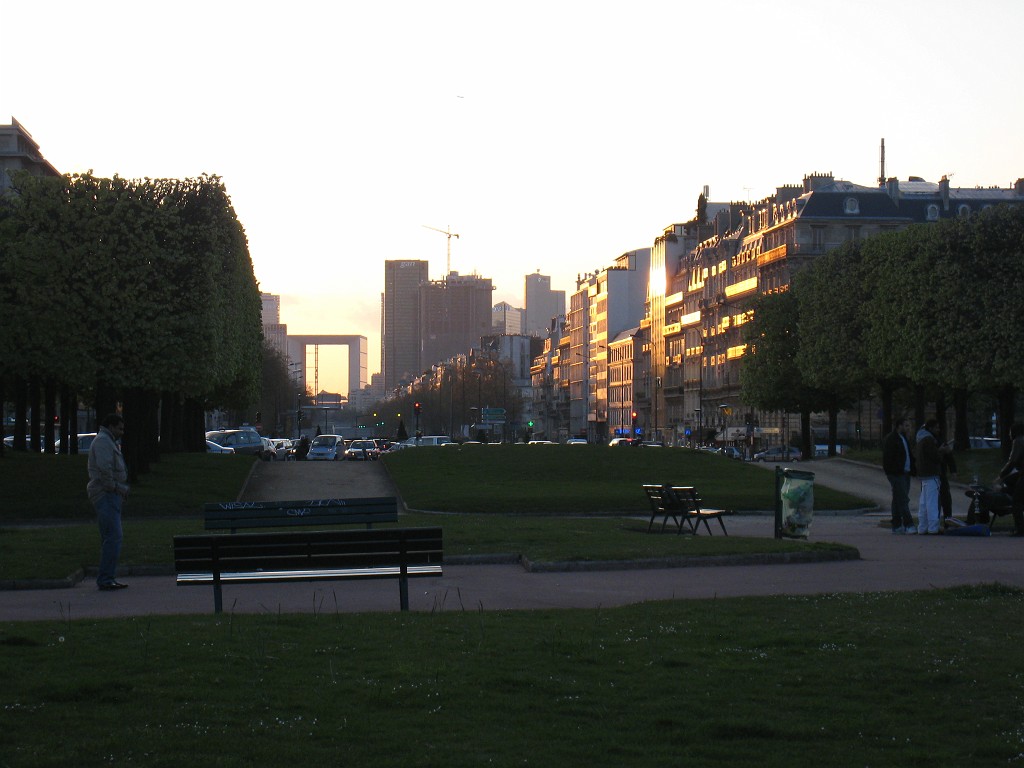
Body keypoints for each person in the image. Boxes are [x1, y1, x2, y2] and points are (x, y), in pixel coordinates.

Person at [87, 413, 130, 590]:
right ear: (111, 426)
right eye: (119, 428)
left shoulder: (107, 441)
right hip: (106, 493)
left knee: (111, 536)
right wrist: (116, 488)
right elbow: (105, 469)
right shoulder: (104, 442)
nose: (122, 432)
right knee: (113, 536)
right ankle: (105, 578)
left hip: (110, 493)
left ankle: (107, 576)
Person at [914, 418, 949, 535]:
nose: (938, 430)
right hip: (932, 473)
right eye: (936, 428)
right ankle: (933, 527)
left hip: (923, 473)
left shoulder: (920, 439)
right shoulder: (929, 440)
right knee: (932, 502)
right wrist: (942, 451)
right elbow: (935, 457)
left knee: (923, 502)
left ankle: (922, 527)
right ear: (930, 428)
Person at [882, 417, 916, 534]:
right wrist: (892, 471)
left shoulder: (903, 438)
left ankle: (896, 524)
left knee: (898, 498)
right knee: (903, 498)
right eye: (906, 425)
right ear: (899, 426)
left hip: (905, 472)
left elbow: (908, 455)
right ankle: (909, 524)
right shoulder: (891, 439)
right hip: (896, 473)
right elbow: (888, 458)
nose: (908, 428)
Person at [997, 423, 1024, 536]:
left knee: (1016, 502)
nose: (1008, 434)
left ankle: (1020, 529)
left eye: (1009, 432)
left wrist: (1001, 475)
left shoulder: (1018, 441)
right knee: (1009, 481)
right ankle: (1007, 492)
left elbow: (1012, 461)